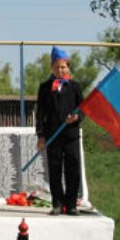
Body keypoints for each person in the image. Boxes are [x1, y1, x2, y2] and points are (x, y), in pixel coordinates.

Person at [36, 46, 84, 216]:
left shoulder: (75, 87)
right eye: (57, 67)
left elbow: (82, 109)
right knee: (55, 169)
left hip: (70, 135)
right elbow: (40, 113)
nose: (60, 70)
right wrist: (41, 136)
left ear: (68, 68)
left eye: (63, 67)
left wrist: (76, 118)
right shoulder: (44, 87)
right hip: (52, 136)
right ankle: (57, 203)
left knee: (73, 168)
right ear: (52, 68)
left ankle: (71, 204)